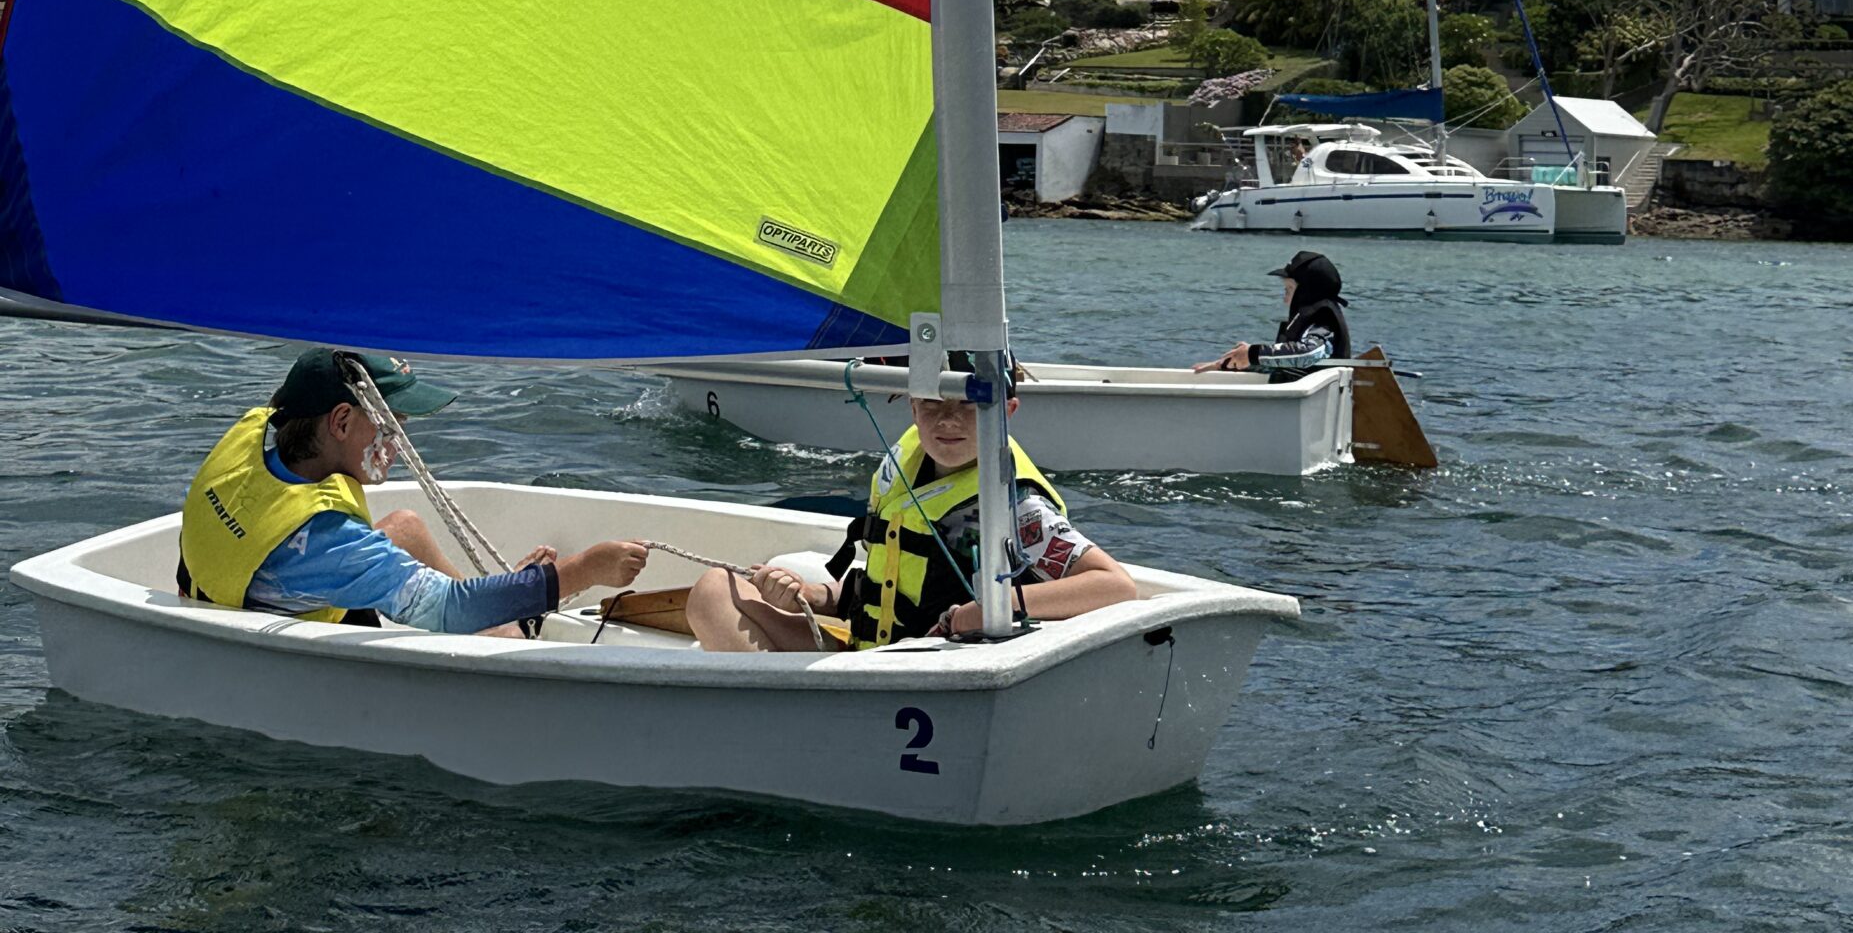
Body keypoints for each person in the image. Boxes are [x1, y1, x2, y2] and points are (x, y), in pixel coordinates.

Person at [178, 345, 651, 631]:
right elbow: (451, 609)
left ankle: (504, 609)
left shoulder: (253, 439)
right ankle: (512, 628)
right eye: (391, 426)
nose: (399, 444)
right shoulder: (325, 542)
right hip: (291, 655)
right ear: (340, 422)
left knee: (405, 526)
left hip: (234, 593)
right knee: (477, 620)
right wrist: (585, 569)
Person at [685, 366, 1137, 652]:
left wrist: (988, 609)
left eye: (969, 404)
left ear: (1007, 411)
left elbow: (1113, 586)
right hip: (865, 655)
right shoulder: (908, 464)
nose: (948, 419)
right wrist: (814, 595)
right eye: (932, 402)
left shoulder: (1015, 505)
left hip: (926, 675)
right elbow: (892, 581)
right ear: (912, 405)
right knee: (715, 589)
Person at [1192, 248, 1353, 377]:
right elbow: (1285, 364)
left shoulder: (1323, 318)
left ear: (1306, 292)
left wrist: (1253, 353)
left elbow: (1310, 352)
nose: (1285, 299)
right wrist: (1229, 364)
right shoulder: (1312, 318)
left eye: (1289, 289)